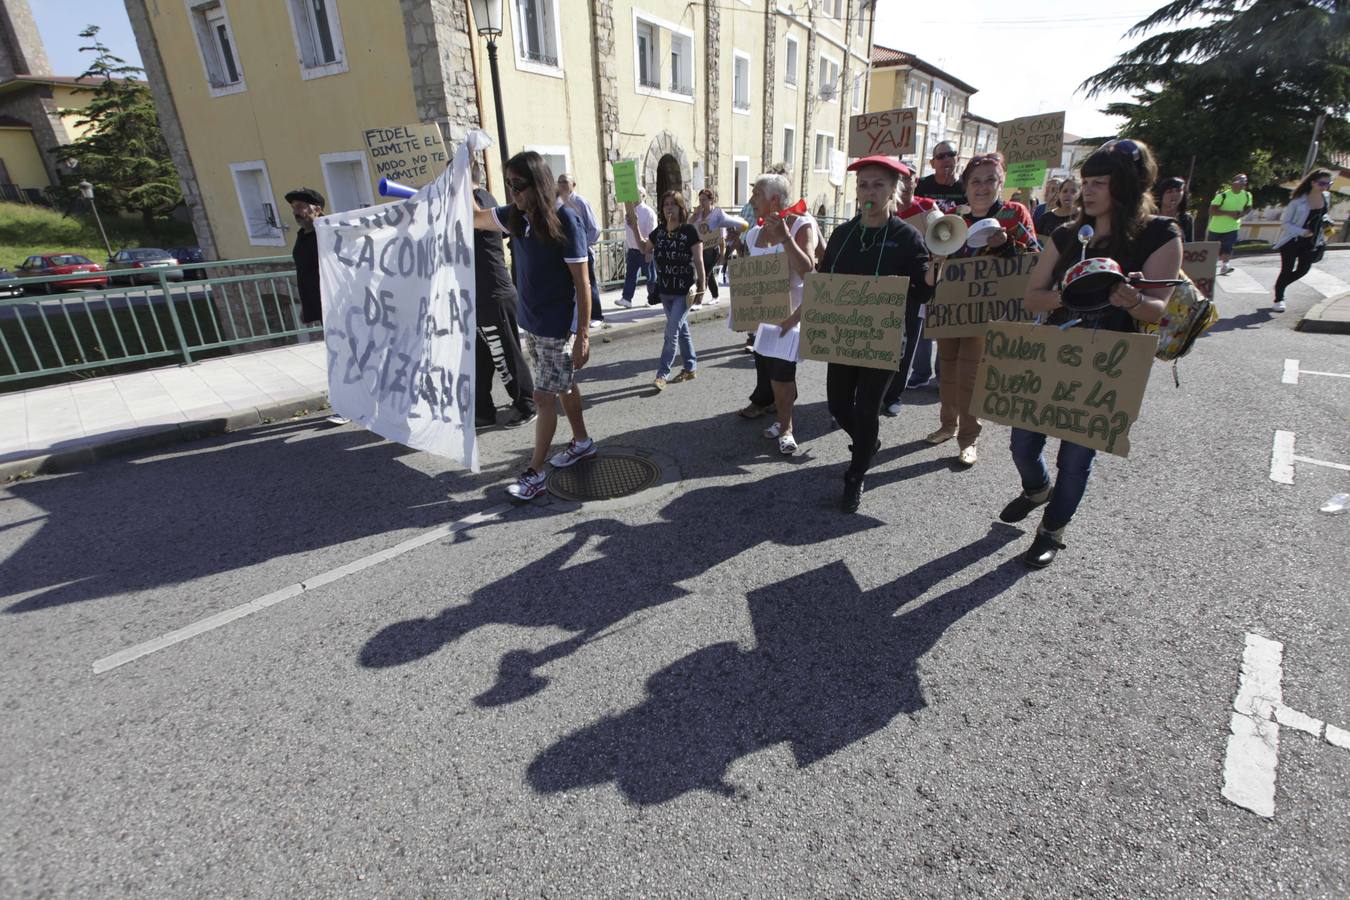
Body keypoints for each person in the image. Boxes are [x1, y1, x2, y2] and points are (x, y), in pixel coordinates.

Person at [1012, 138, 1181, 568]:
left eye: (1100, 183)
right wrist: (1069, 295)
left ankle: (1052, 529)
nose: (1087, 191)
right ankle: (1036, 490)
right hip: (1056, 349)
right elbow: (1033, 296)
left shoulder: (1160, 234)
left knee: (1076, 457)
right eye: (1086, 182)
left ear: (1125, 187)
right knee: (1022, 444)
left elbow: (1159, 307)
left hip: (1110, 357)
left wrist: (1129, 300)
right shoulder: (1068, 234)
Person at [472, 152, 596, 501]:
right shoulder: (515, 216)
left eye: (519, 184)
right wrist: (462, 180)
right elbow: (474, 218)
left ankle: (535, 473)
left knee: (543, 397)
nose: (513, 191)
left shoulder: (565, 221)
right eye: (508, 184)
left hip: (557, 328)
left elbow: (582, 284)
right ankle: (583, 443)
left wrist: (582, 335)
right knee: (563, 386)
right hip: (533, 323)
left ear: (538, 184)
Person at [822, 156, 934, 512]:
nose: (870, 191)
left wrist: (934, 274)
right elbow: (825, 282)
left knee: (867, 407)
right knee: (839, 405)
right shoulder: (842, 234)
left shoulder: (907, 237)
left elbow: (921, 294)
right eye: (864, 184)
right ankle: (867, 443)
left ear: (893, 191)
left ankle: (855, 475)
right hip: (843, 336)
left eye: (878, 185)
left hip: (883, 339)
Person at [928, 152, 1039, 467]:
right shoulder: (955, 217)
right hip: (952, 308)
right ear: (966, 186)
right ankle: (947, 425)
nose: (982, 187)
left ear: (1001, 182)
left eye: (990, 179)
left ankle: (969, 438)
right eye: (975, 181)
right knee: (946, 369)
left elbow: (1034, 258)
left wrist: (1006, 246)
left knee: (971, 376)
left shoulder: (1014, 214)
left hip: (986, 312)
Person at [739, 172, 817, 455]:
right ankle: (780, 415)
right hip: (763, 320)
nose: (751, 199)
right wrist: (742, 312)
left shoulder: (800, 225)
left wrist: (785, 239)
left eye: (757, 193)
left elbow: (808, 269)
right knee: (769, 373)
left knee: (782, 376)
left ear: (774, 199)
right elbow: (750, 277)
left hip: (790, 317)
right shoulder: (753, 235)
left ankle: (786, 429)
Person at [470, 159, 536, 428]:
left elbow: (475, 220)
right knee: (480, 357)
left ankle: (527, 404)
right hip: (477, 295)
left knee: (504, 353)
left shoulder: (480, 198)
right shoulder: (466, 201)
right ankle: (483, 411)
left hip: (493, 293)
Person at [625, 190, 706, 389]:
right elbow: (645, 247)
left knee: (671, 332)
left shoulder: (689, 231)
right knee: (681, 329)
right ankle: (690, 367)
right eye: (666, 204)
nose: (669, 207)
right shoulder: (660, 231)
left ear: (681, 208)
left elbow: (698, 260)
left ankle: (662, 374)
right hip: (665, 291)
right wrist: (634, 227)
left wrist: (703, 286)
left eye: (673, 204)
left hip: (684, 292)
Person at [285, 186, 348, 426]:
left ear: (317, 209)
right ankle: (351, 404)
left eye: (300, 207)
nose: (296, 212)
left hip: (340, 306)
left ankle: (348, 406)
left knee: (344, 357)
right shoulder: (305, 235)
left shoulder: (329, 233)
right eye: (294, 208)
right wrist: (306, 305)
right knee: (340, 357)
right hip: (324, 307)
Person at [882, 162, 939, 414]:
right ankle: (875, 391)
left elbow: (940, 239)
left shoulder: (927, 207)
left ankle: (894, 394)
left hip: (915, 286)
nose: (905, 184)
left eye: (909, 179)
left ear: (915, 181)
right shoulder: (886, 210)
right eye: (900, 179)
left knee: (908, 343)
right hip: (885, 287)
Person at [1272, 169, 1333, 313]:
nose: (1325, 187)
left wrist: (1327, 221)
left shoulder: (1326, 197)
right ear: (1312, 183)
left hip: (1312, 242)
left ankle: (1280, 286)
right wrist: (1302, 232)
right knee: (1286, 270)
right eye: (1322, 183)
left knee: (1303, 270)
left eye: (1328, 183)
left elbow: (1324, 214)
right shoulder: (1298, 201)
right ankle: (1278, 299)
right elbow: (1285, 223)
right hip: (1293, 241)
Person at [556, 173, 605, 323]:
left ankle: (596, 316)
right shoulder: (557, 204)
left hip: (583, 252)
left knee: (588, 283)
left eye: (565, 182)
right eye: (559, 182)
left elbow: (595, 229)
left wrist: (582, 246)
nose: (562, 185)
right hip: (567, 252)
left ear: (573, 184)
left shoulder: (581, 202)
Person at [689, 188, 748, 302]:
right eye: (700, 200)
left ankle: (698, 300)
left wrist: (722, 254)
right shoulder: (699, 215)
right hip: (701, 248)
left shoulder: (717, 214)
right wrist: (694, 215)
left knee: (704, 273)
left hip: (713, 249)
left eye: (704, 200)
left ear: (711, 200)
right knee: (708, 274)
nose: (702, 202)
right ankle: (715, 296)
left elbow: (721, 237)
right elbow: (689, 226)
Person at [616, 186, 657, 309]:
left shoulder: (649, 212)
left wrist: (649, 249)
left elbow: (652, 232)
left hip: (645, 249)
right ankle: (627, 299)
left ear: (643, 196)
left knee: (650, 276)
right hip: (633, 249)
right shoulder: (630, 211)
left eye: (637, 193)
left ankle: (652, 298)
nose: (633, 195)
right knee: (631, 275)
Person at [1207, 173, 1252, 275]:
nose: (1241, 185)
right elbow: (1212, 211)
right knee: (1212, 249)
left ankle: (1225, 266)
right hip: (1216, 228)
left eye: (1243, 183)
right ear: (1233, 183)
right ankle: (1208, 267)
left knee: (1227, 247)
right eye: (1238, 182)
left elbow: (1249, 207)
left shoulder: (1247, 195)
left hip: (1233, 227)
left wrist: (1242, 214)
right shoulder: (1222, 195)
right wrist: (1228, 213)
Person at [915, 141, 967, 209]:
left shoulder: (967, 185)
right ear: (932, 163)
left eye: (951, 154)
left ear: (958, 159)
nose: (946, 159)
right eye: (940, 156)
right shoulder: (920, 184)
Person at [1155, 176, 1194, 242]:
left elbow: (1189, 244)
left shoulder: (1186, 218)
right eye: (1169, 191)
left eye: (1178, 191)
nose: (1175, 194)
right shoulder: (1151, 215)